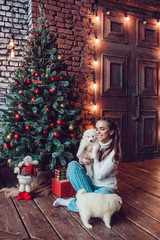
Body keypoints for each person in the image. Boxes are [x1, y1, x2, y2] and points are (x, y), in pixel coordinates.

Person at [53, 117, 122, 212]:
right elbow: (84, 162)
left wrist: (95, 153)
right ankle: (91, 203)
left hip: (105, 189)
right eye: (96, 129)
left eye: (102, 129)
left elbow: (99, 176)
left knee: (102, 198)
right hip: (89, 185)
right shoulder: (92, 142)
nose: (97, 132)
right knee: (73, 165)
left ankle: (72, 203)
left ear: (111, 131)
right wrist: (83, 160)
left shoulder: (114, 153)